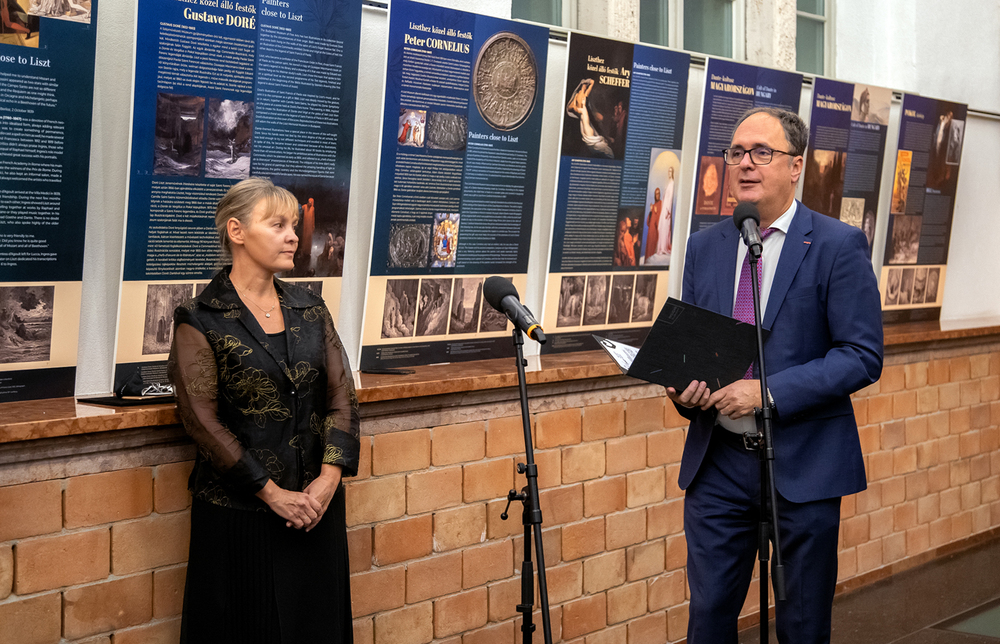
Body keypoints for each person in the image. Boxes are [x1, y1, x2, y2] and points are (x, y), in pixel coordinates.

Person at [667, 107, 883, 643]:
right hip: (718, 466)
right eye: (736, 152)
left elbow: (861, 354)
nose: (745, 164)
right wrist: (685, 389)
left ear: (796, 166)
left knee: (803, 626)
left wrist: (768, 392)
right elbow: (695, 351)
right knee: (709, 620)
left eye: (762, 152)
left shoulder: (836, 245)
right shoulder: (705, 247)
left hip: (802, 464)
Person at [168, 177, 360, 644]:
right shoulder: (200, 317)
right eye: (278, 225)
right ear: (236, 231)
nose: (294, 235)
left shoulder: (310, 308)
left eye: (294, 225)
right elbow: (202, 423)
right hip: (241, 518)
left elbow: (343, 399)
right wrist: (273, 494)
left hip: (317, 510)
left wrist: (327, 482)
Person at [645, 188, 662, 260]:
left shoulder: (661, 204)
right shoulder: (654, 204)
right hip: (650, 231)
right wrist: (651, 211)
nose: (657, 195)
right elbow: (648, 222)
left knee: (653, 249)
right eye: (656, 194)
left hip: (655, 231)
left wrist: (655, 212)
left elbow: (660, 221)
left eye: (658, 193)